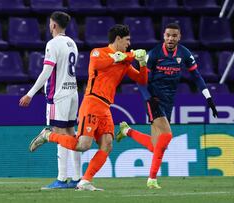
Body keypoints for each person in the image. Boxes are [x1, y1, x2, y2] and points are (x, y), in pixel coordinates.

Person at [29, 24, 148, 191]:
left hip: (105, 107)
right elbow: (99, 63)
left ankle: (85, 181)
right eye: (127, 40)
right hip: (92, 103)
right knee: (83, 145)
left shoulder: (125, 63)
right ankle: (48, 135)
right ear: (118, 39)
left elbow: (142, 80)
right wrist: (124, 56)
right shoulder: (98, 52)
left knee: (107, 144)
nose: (129, 43)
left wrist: (142, 63)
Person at [116, 23, 218, 189]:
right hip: (153, 98)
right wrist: (149, 98)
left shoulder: (184, 53)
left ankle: (127, 131)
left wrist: (209, 98)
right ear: (163, 36)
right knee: (167, 135)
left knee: (156, 146)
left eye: (174, 36)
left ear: (179, 37)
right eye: (168, 35)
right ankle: (152, 179)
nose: (171, 38)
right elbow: (142, 81)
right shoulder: (154, 54)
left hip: (168, 101)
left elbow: (197, 76)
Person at [19, 11, 81, 189]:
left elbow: (47, 72)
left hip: (59, 95)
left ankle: (62, 179)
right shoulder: (72, 43)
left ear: (53, 25)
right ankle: (77, 178)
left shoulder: (53, 44)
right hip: (72, 93)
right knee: (71, 133)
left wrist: (30, 94)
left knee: (60, 134)